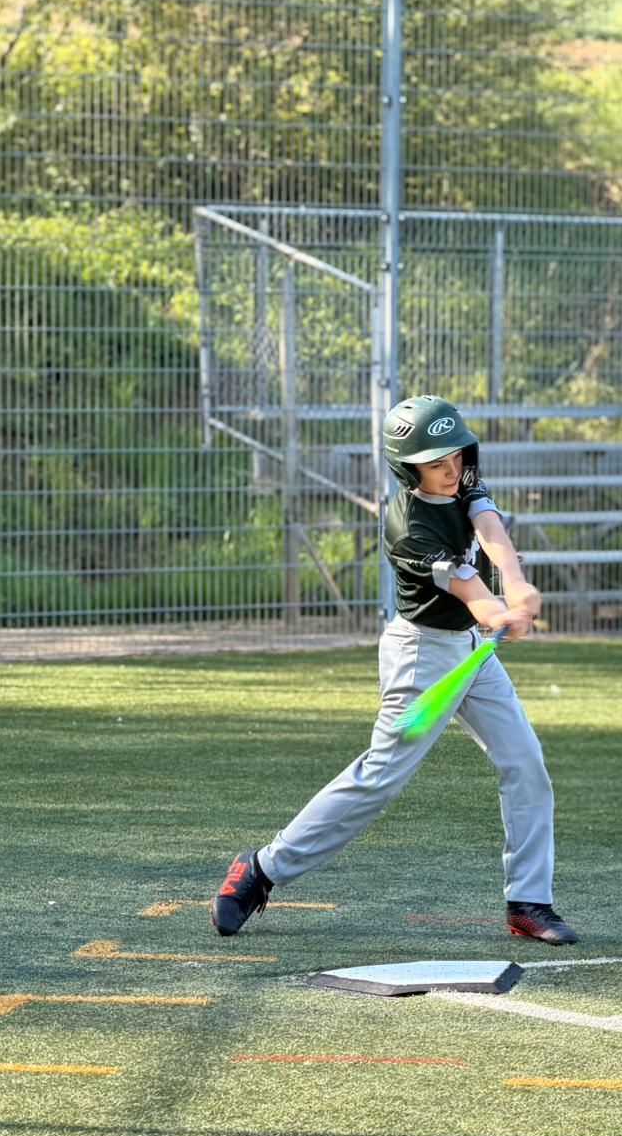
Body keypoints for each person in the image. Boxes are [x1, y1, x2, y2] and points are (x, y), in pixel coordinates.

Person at [210, 394, 577, 946]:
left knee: (525, 761)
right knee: (378, 779)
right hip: (422, 657)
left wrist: (517, 581)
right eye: (436, 462)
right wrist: (500, 609)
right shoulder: (409, 528)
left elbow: (490, 530)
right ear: (408, 468)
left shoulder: (461, 480)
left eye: (456, 455)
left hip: (472, 651)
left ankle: (529, 901)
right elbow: (470, 589)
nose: (451, 469)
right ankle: (261, 869)